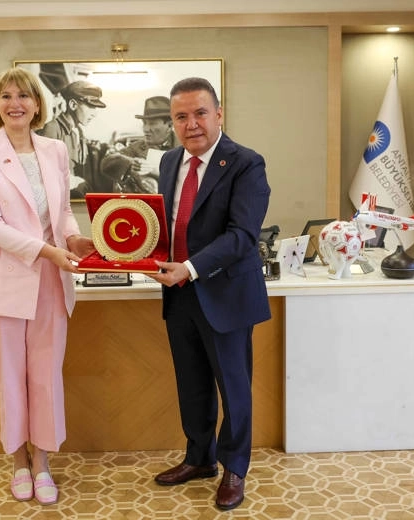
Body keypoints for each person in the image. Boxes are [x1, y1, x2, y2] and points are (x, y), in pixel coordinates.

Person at [0, 67, 95, 506]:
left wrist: (73, 239)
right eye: (6, 96)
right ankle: (18, 461)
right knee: (11, 375)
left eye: (23, 96)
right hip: (2, 278)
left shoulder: (55, 150)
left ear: (38, 105)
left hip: (51, 279)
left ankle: (43, 464)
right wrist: (48, 251)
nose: (15, 103)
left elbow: (63, 213)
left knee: (46, 374)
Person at [148, 77, 271, 511]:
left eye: (200, 113)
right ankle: (199, 458)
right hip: (179, 294)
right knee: (192, 384)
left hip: (226, 294)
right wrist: (132, 251)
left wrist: (191, 267)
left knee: (233, 387)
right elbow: (167, 223)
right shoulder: (169, 161)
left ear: (219, 114)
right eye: (181, 116)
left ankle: (234, 468)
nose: (191, 124)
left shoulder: (246, 163)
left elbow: (242, 235)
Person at [38, 80, 109, 197]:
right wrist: (73, 181)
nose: (94, 114)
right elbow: (42, 169)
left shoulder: (78, 132)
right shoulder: (52, 128)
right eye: (91, 106)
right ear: (73, 105)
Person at [100, 96, 179, 193]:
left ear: (170, 125)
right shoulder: (137, 147)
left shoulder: (187, 148)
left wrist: (155, 170)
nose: (146, 129)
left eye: (152, 124)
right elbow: (106, 163)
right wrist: (131, 163)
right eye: (144, 123)